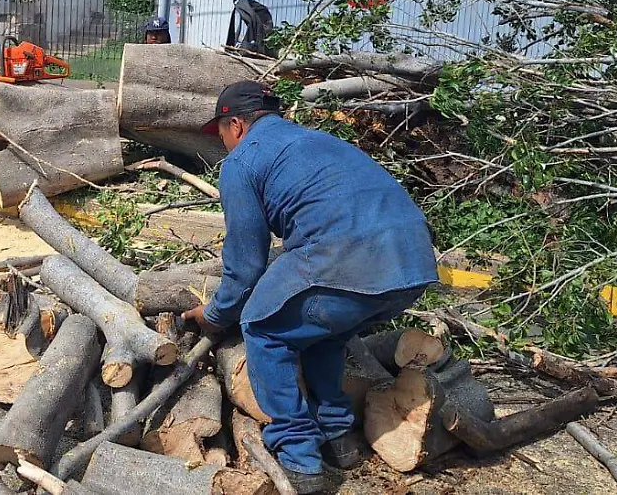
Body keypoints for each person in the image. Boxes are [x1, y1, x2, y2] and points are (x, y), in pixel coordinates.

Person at [182, 80, 438, 494]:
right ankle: (339, 437)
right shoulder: (320, 142)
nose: (225, 144)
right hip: (413, 264)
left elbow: (245, 265)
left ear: (237, 126)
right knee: (321, 329)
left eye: (223, 134)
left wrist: (215, 315)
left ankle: (300, 457)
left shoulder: (243, 161)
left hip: (350, 257)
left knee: (263, 325)